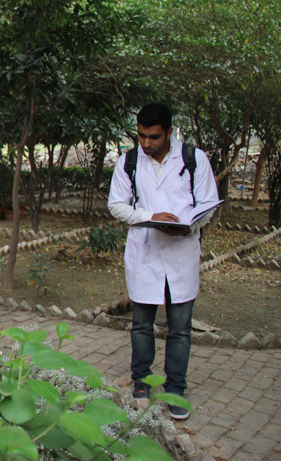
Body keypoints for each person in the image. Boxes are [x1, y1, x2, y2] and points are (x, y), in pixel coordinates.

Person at [108, 102, 218, 420]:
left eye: (154, 137)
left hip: (181, 251)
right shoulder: (129, 161)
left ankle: (175, 388)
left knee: (180, 328)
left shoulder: (194, 159)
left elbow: (208, 203)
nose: (145, 144)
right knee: (141, 324)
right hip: (145, 251)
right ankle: (141, 380)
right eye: (141, 136)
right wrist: (149, 217)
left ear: (170, 132)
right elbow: (116, 204)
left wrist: (186, 224)